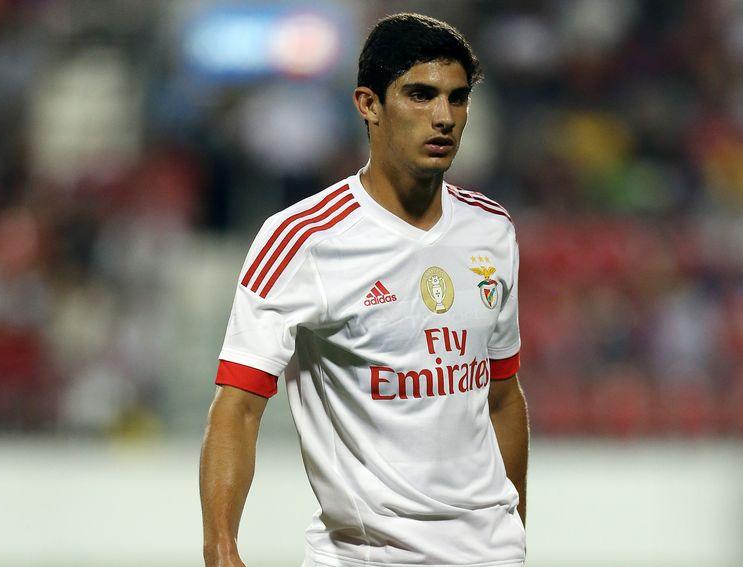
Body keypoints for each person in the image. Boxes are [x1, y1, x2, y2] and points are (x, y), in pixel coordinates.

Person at [200, 13, 529, 567]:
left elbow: (502, 395)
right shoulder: (302, 240)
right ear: (369, 104)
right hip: (365, 556)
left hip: (490, 554)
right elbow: (238, 406)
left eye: (457, 98)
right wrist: (221, 548)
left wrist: (516, 533)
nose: (444, 117)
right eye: (420, 95)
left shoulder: (492, 230)